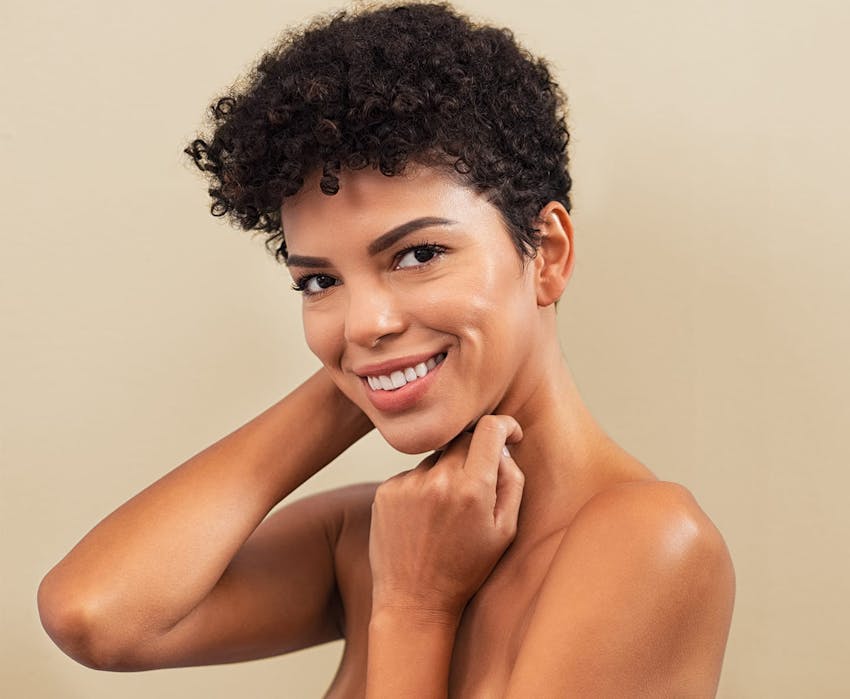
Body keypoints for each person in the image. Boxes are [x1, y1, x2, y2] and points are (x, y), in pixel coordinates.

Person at [37, 2, 735, 696]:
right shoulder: (385, 534)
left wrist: (413, 609)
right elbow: (94, 613)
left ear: (547, 253)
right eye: (320, 280)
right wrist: (364, 368)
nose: (364, 318)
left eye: (418, 253)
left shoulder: (647, 541)